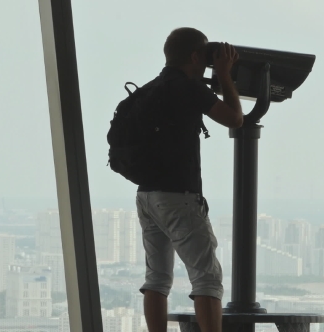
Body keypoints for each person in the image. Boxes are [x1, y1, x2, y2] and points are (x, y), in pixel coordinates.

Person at [135, 27, 243, 332]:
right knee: (206, 278)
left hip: (146, 195)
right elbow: (235, 118)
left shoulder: (152, 88)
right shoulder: (188, 88)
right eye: (206, 57)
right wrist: (224, 74)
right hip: (179, 196)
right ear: (196, 56)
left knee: (157, 277)